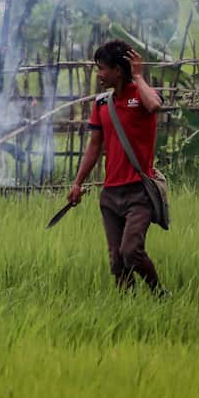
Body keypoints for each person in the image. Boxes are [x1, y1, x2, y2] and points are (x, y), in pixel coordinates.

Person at [67, 40, 167, 293]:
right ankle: (127, 306)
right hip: (110, 194)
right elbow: (94, 146)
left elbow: (155, 106)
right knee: (117, 260)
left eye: (103, 68)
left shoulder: (142, 96)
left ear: (118, 71)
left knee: (130, 250)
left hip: (139, 192)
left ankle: (160, 294)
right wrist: (78, 183)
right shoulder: (101, 104)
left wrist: (138, 76)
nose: (99, 74)